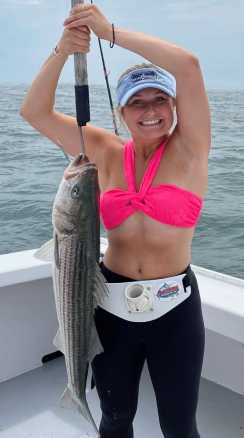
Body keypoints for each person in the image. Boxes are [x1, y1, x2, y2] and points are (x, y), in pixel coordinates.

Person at [20, 4, 210, 438]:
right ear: (121, 111)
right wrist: (62, 50)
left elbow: (189, 65)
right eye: (136, 102)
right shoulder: (101, 149)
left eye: (159, 99)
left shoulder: (191, 149)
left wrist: (109, 32)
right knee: (115, 418)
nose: (150, 111)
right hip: (107, 303)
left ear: (174, 105)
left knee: (179, 425)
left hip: (175, 307)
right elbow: (34, 111)